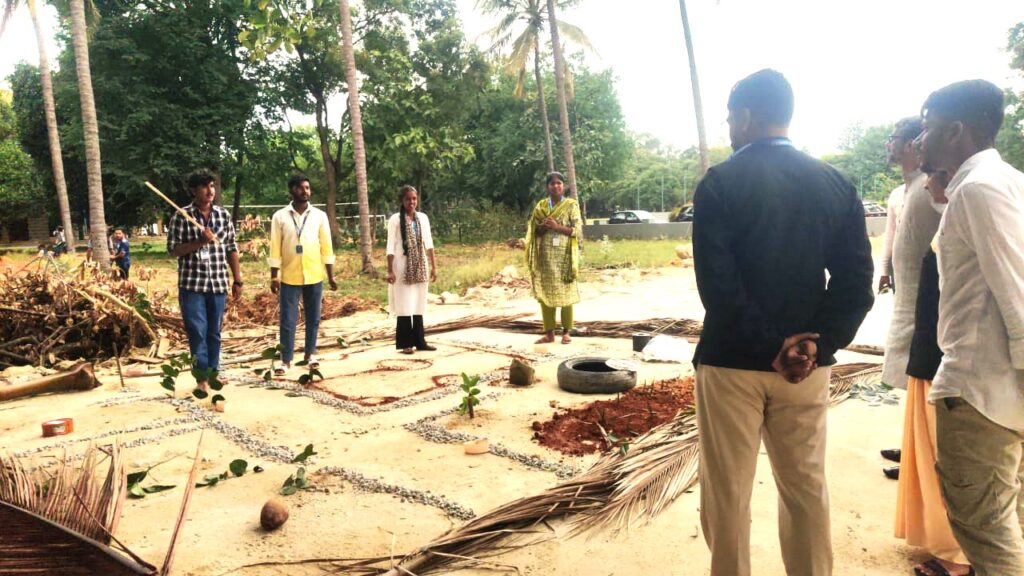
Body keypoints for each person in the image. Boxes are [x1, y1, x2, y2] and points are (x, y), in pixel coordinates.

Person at [691, 69, 874, 576]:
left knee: (728, 493)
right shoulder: (835, 184)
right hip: (806, 369)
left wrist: (771, 343)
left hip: (732, 364)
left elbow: (719, 286)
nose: (731, 129)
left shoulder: (720, 183)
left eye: (731, 118)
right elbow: (856, 280)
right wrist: (817, 344)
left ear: (747, 116)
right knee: (806, 488)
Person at [916, 79, 1024, 575]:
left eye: (927, 127)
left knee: (987, 529)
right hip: (997, 390)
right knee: (1003, 520)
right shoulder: (1005, 181)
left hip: (982, 390)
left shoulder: (979, 189)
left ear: (955, 130)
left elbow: (1015, 289)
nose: (920, 140)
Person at [893, 170, 972, 576]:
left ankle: (955, 556)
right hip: (930, 353)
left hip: (943, 360)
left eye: (934, 175)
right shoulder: (952, 225)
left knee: (943, 458)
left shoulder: (968, 224)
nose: (926, 185)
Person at [879, 117, 939, 479]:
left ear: (913, 144)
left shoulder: (930, 189)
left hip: (928, 309)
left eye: (894, 137)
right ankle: (914, 449)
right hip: (910, 301)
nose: (889, 144)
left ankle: (923, 460)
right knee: (913, 380)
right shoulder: (908, 190)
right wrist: (885, 269)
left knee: (925, 382)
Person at [167, 170, 243, 390]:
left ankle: (213, 373)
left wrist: (237, 279)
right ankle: (201, 378)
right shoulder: (181, 216)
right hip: (192, 285)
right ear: (193, 190)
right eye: (204, 186)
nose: (210, 191)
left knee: (214, 332)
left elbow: (231, 248)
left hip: (218, 283)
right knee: (197, 331)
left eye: (212, 186)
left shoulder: (223, 216)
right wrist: (200, 242)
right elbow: (173, 250)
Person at [268, 174, 336, 375]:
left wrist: (331, 275)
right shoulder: (280, 216)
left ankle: (310, 354)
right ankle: (286, 360)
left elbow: (326, 246)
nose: (304, 191)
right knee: (288, 319)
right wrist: (274, 276)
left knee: (313, 317)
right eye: (300, 188)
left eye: (307, 187)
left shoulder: (319, 216)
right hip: (289, 276)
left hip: (314, 274)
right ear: (292, 190)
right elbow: (275, 247)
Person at [526, 172, 582, 345]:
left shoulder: (571, 205)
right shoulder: (541, 206)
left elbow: (577, 230)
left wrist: (557, 227)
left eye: (559, 183)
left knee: (566, 292)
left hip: (565, 255)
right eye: (552, 183)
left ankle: (566, 332)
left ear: (563, 186)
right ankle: (549, 333)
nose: (556, 186)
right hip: (545, 257)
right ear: (547, 187)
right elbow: (534, 231)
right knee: (546, 293)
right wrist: (543, 227)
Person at [385, 185, 437, 354]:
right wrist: (390, 270)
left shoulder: (423, 218)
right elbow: (390, 246)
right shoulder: (395, 220)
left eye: (414, 198)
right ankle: (406, 343)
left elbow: (429, 244)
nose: (411, 202)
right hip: (401, 267)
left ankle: (420, 341)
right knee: (404, 303)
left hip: (420, 265)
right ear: (402, 200)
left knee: (419, 303)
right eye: (408, 199)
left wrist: (434, 267)